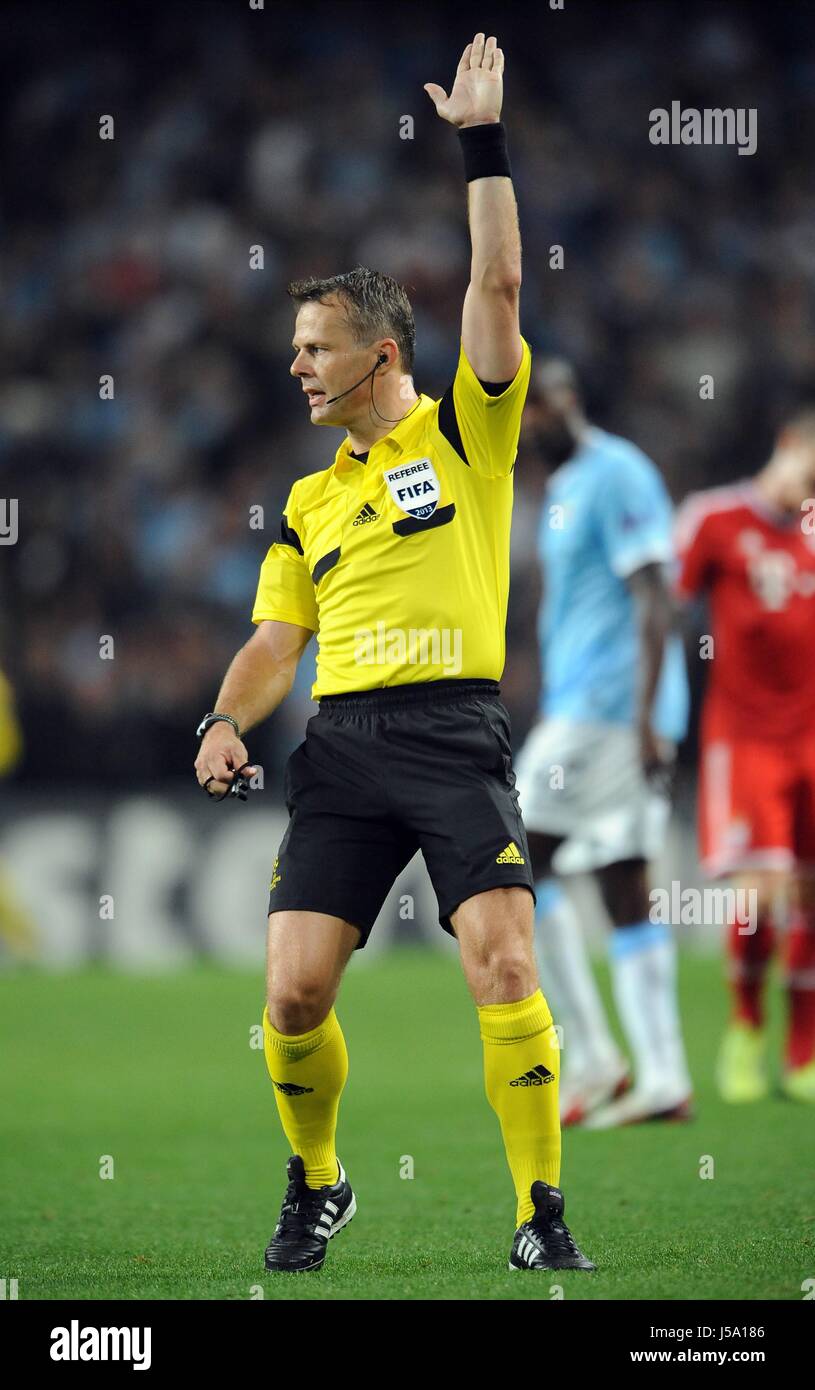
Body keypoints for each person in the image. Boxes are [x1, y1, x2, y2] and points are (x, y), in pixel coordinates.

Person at [194, 35, 593, 1274]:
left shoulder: (469, 429)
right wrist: (220, 719)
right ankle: (318, 1181)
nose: (296, 366)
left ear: (377, 349)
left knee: (504, 959)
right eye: (294, 348)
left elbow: (498, 287)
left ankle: (539, 1211)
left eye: (314, 346)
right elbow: (275, 639)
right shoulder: (309, 501)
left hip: (454, 732)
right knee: (293, 999)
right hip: (343, 746)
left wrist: (481, 141)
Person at [515, 359, 693, 1127]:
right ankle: (661, 1077)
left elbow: (656, 597)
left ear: (559, 402)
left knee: (512, 857)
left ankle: (590, 1055)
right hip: (595, 705)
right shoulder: (562, 489)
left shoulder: (615, 472)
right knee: (624, 883)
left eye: (525, 415)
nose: (518, 435)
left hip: (609, 710)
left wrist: (649, 716)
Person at [675, 408, 815, 1104]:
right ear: (786, 446)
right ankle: (744, 1028)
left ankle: (801, 1055)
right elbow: (660, 605)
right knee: (759, 898)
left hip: (811, 738)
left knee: (809, 900)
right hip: (746, 738)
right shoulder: (714, 519)